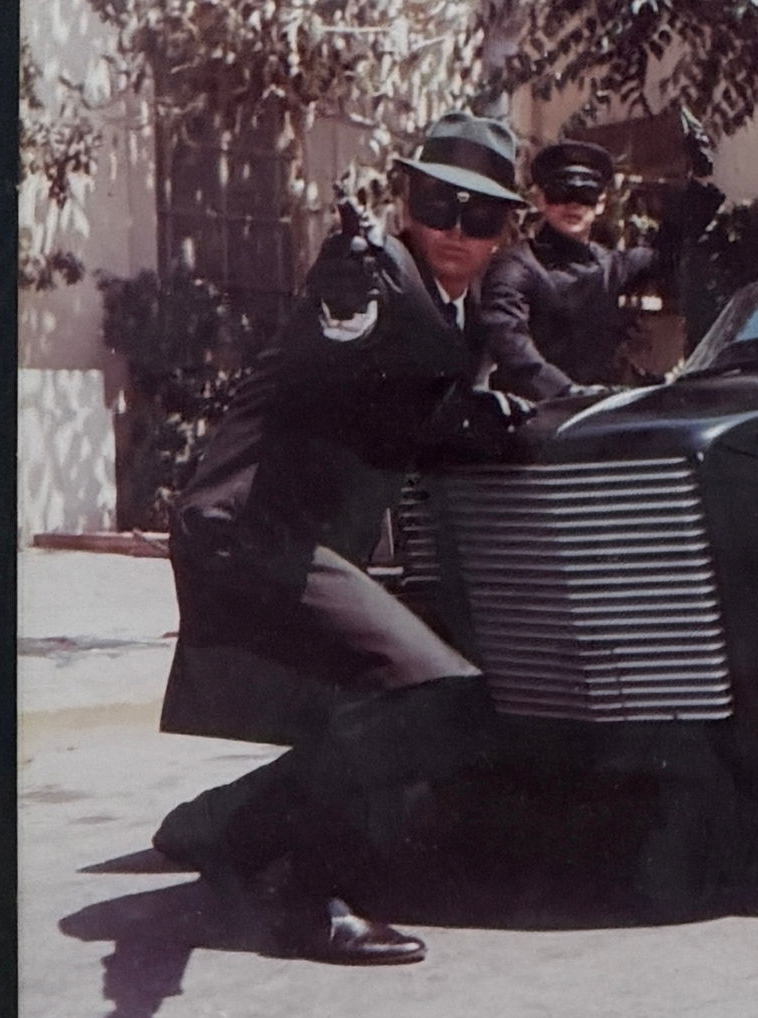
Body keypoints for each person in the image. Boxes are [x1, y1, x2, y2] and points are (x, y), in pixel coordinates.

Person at [150, 111, 534, 965]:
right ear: (404, 202)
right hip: (249, 530)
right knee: (434, 690)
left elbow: (403, 414)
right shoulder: (374, 273)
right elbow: (340, 330)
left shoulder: (458, 314)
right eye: (438, 203)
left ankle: (220, 824)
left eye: (481, 217)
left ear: (506, 230)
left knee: (434, 703)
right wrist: (345, 306)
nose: (455, 231)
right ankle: (306, 902)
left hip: (299, 538)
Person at [480, 115, 725, 399]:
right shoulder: (514, 266)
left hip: (597, 414)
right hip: (534, 415)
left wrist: (700, 181)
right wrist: (567, 393)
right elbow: (509, 343)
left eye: (585, 193)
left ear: (600, 204)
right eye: (561, 192)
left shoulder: (610, 265)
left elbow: (666, 251)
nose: (573, 204)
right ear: (542, 200)